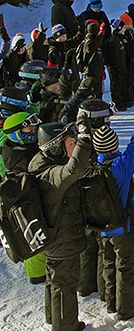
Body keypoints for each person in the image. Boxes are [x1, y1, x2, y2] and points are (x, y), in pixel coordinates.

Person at [94, 92, 134, 320]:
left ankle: (109, 299)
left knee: (107, 261)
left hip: (101, 225)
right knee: (125, 266)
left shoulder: (91, 168)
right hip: (124, 225)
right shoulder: (121, 166)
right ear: (114, 145)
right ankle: (127, 307)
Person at [29, 113, 93, 331]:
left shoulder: (40, 162)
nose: (74, 147)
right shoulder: (51, 175)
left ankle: (53, 317)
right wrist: (85, 137)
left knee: (54, 280)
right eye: (70, 143)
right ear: (55, 147)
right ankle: (65, 326)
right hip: (62, 239)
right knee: (65, 285)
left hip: (53, 236)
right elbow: (74, 169)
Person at [2, 111, 45, 285]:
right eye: (29, 129)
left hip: (32, 199)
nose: (34, 131)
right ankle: (37, 273)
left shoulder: (27, 148)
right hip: (25, 204)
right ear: (16, 133)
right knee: (32, 236)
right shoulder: (15, 157)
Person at [76, 21, 107, 98]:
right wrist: (101, 33)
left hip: (96, 73)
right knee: (93, 95)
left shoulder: (91, 42)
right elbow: (94, 46)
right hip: (91, 73)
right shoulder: (89, 43)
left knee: (98, 94)